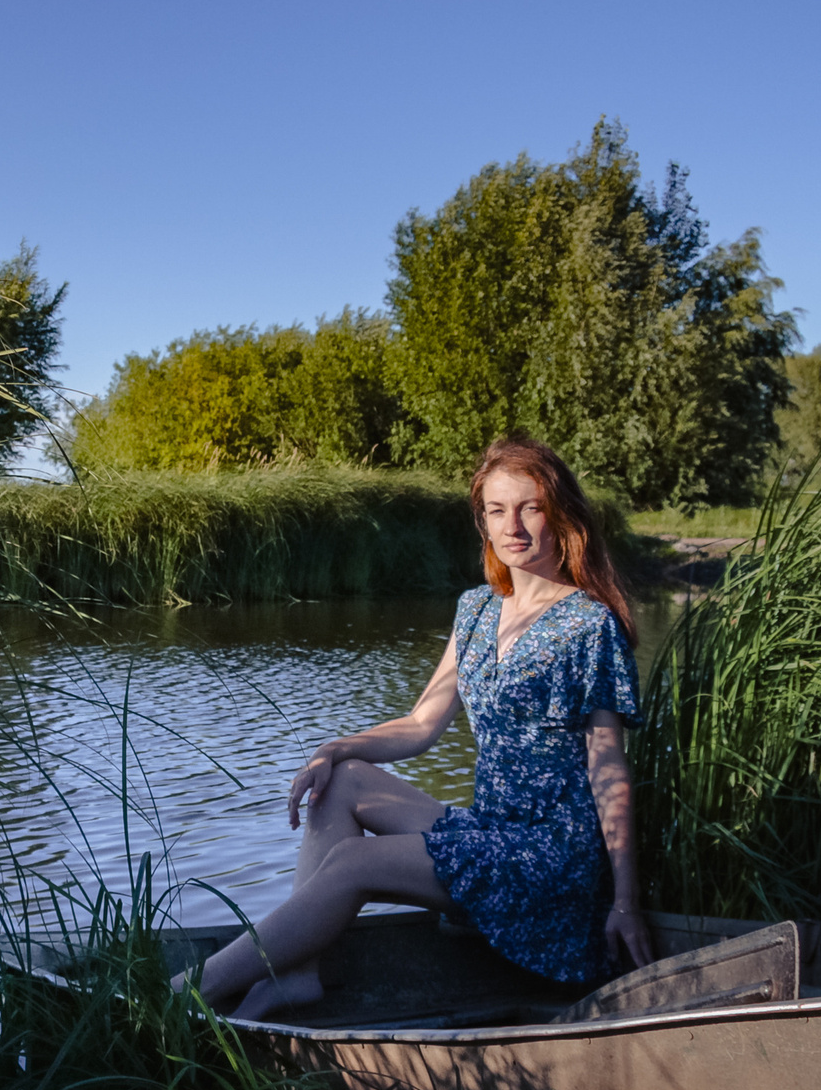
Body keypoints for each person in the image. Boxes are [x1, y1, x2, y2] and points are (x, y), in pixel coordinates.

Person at [178, 436, 657, 1019]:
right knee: (344, 779)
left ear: (559, 515)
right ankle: (300, 970)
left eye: (530, 508)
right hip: (492, 832)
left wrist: (625, 901)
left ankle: (186, 991)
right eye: (498, 510)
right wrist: (333, 747)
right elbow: (423, 722)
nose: (515, 526)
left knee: (354, 864)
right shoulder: (477, 608)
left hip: (549, 858)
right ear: (481, 519)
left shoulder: (588, 625)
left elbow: (609, 770)